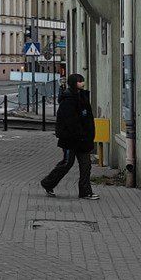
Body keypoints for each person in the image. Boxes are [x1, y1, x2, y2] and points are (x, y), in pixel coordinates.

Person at [42, 72, 98, 200]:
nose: (82, 83)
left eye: (82, 80)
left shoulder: (82, 96)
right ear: (74, 83)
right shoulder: (68, 99)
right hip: (70, 139)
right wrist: (80, 133)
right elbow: (70, 121)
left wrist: (87, 135)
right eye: (80, 81)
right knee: (67, 163)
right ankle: (48, 183)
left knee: (86, 165)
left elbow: (87, 117)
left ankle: (85, 191)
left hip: (83, 139)